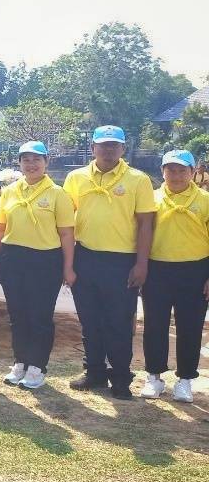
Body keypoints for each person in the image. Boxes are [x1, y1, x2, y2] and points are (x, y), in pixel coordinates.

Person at [62, 125, 156, 399]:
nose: (108, 150)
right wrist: (67, 263)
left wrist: (142, 264)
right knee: (89, 319)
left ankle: (121, 377)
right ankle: (94, 372)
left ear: (123, 148)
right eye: (103, 145)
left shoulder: (138, 179)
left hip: (122, 261)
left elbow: (146, 224)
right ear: (93, 148)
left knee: (119, 321)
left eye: (114, 145)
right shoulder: (76, 178)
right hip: (85, 256)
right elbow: (65, 221)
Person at [0, 141, 75, 391]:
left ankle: (37, 367)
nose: (31, 164)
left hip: (45, 260)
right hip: (13, 258)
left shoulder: (58, 194)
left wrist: (68, 267)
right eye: (26, 160)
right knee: (18, 315)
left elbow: (66, 234)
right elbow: (1, 229)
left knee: (40, 316)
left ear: (46, 162)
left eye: (37, 159)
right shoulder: (10, 191)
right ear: (19, 163)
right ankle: (20, 362)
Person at [138, 149, 209, 402]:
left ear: (193, 172)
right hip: (157, 270)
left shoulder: (205, 200)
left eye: (182, 170)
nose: (176, 176)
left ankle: (185, 380)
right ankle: (154, 377)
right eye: (170, 170)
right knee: (154, 325)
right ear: (162, 172)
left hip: (195, 270)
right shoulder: (152, 198)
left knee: (190, 326)